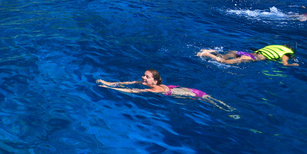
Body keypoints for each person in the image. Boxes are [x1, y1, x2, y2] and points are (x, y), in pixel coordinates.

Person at [97, 69, 233, 111]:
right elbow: (130, 83)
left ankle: (229, 111)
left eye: (147, 77)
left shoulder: (155, 89)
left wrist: (108, 88)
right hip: (187, 89)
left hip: (193, 94)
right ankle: (228, 109)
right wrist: (109, 83)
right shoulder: (147, 83)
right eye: (144, 75)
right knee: (212, 100)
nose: (143, 77)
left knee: (214, 103)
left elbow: (134, 91)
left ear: (154, 81)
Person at [197, 45, 298, 66]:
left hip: (249, 53)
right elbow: (284, 63)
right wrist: (292, 64)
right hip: (254, 57)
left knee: (225, 56)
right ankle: (208, 54)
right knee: (225, 62)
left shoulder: (274, 47)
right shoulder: (286, 54)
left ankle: (213, 51)